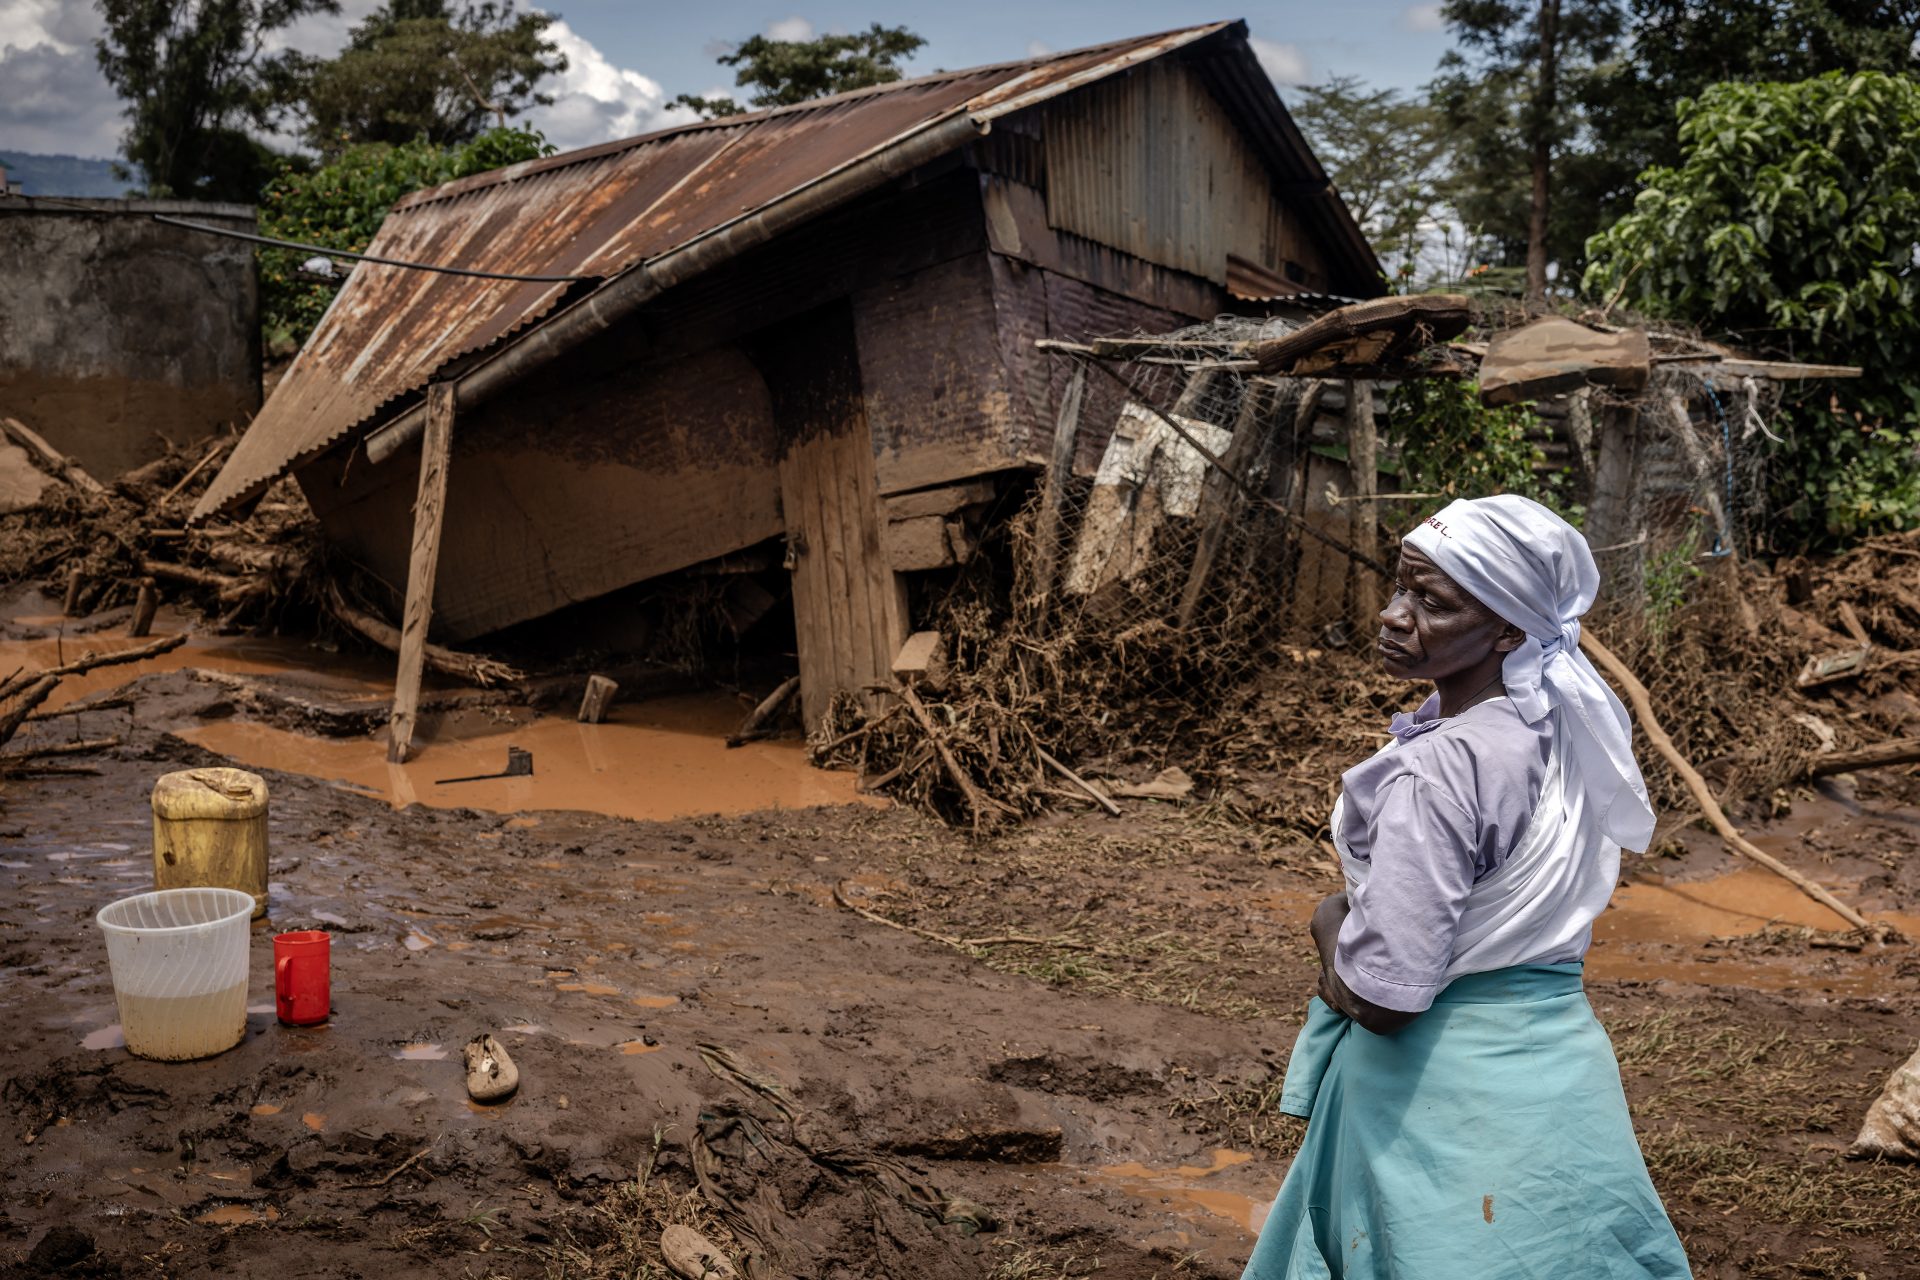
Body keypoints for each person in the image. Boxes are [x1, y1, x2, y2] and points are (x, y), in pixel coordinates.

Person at [1241, 494, 1691, 1280]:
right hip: (1559, 1078)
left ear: (1509, 630)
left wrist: (1328, 921)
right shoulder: (1555, 727)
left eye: (1430, 602)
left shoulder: (1441, 769)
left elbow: (1385, 999)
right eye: (1401, 587)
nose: (1392, 614)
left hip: (1436, 1101)